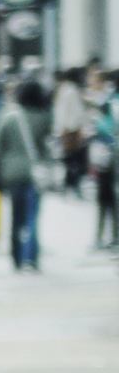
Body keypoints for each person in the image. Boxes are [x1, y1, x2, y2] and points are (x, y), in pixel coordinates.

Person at [0, 80, 55, 271]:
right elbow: (48, 146)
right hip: (35, 174)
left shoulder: (7, 116)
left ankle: (16, 257)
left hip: (12, 173)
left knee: (16, 216)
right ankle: (31, 257)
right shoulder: (44, 117)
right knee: (33, 216)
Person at [92, 71, 118, 248]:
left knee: (106, 197)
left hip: (108, 156)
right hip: (109, 155)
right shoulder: (109, 101)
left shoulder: (110, 101)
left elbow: (103, 127)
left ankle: (103, 237)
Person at [54, 68, 89, 196]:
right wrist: (79, 129)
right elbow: (76, 112)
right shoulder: (72, 90)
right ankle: (71, 184)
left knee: (69, 159)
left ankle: (67, 184)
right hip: (71, 130)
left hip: (65, 129)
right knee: (73, 159)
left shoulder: (63, 89)